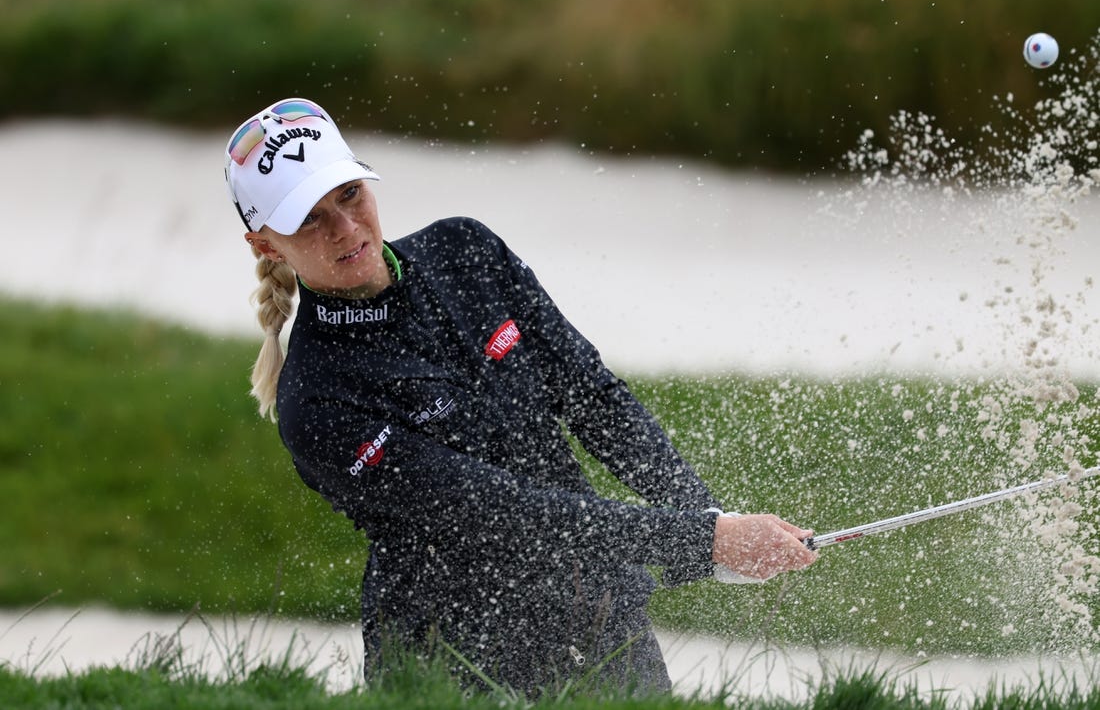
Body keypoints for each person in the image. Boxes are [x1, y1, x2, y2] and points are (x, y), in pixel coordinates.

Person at [223, 97, 817, 696]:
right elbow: (500, 510)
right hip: (450, 661)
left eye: (349, 194)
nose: (345, 229)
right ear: (265, 245)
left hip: (598, 614)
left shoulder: (465, 251)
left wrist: (709, 518)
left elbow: (591, 395)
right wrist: (702, 540)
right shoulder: (318, 399)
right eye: (308, 219)